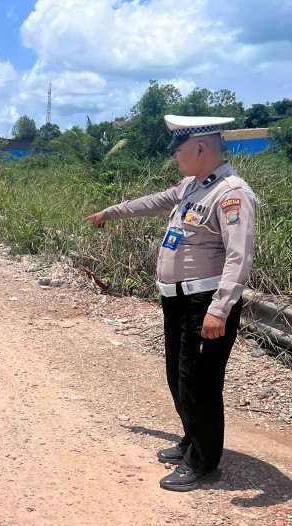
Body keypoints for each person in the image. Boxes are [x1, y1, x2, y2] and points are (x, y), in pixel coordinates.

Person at [84, 115, 258, 492]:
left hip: (204, 302)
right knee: (178, 375)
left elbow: (238, 256)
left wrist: (219, 308)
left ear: (199, 148)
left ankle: (204, 461)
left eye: (178, 149)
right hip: (177, 301)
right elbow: (152, 202)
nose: (174, 156)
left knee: (200, 383)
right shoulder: (192, 186)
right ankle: (192, 439)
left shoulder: (231, 194)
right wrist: (110, 212)